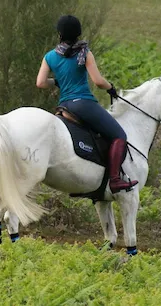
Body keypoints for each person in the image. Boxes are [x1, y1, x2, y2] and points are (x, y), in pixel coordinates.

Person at [36, 15, 138, 193]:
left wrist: (57, 82)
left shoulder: (50, 56)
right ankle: (114, 180)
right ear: (78, 33)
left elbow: (41, 83)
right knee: (119, 135)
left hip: (64, 106)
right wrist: (111, 88)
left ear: (59, 34)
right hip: (83, 103)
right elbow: (98, 81)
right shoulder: (84, 53)